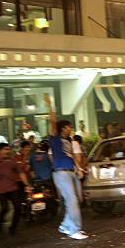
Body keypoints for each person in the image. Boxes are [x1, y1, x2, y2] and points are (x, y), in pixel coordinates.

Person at [46, 98, 88, 240]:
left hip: (71, 171)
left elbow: (72, 157)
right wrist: (51, 106)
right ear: (63, 128)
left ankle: (65, 225)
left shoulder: (69, 141)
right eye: (69, 127)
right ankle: (74, 230)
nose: (71, 129)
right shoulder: (55, 138)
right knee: (72, 201)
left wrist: (79, 169)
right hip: (61, 172)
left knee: (75, 199)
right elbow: (52, 122)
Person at [0, 143, 32, 235]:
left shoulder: (12, 161)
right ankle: (0, 223)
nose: (8, 151)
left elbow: (21, 173)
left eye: (9, 149)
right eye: (5, 149)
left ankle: (13, 227)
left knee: (18, 207)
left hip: (12, 188)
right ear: (0, 151)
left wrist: (27, 184)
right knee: (5, 208)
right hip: (1, 190)